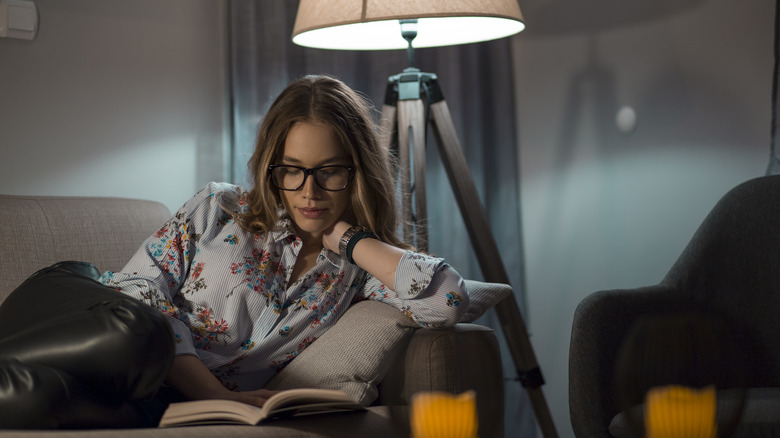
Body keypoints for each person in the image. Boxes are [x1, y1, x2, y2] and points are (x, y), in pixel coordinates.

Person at [0, 74, 471, 429]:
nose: (310, 192)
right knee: (141, 336)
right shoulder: (220, 207)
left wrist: (350, 240)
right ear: (272, 168)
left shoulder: (358, 275)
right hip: (72, 308)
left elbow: (448, 299)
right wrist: (207, 391)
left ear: (359, 172)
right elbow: (138, 288)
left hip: (142, 397)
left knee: (41, 403)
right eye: (292, 170)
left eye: (330, 171)